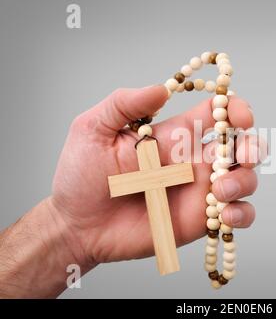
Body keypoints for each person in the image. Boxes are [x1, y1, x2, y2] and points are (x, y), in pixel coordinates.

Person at [0, 85, 260, 298]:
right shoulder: (140, 164)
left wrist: (68, 231)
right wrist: (69, 226)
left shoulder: (180, 169)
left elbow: (187, 171)